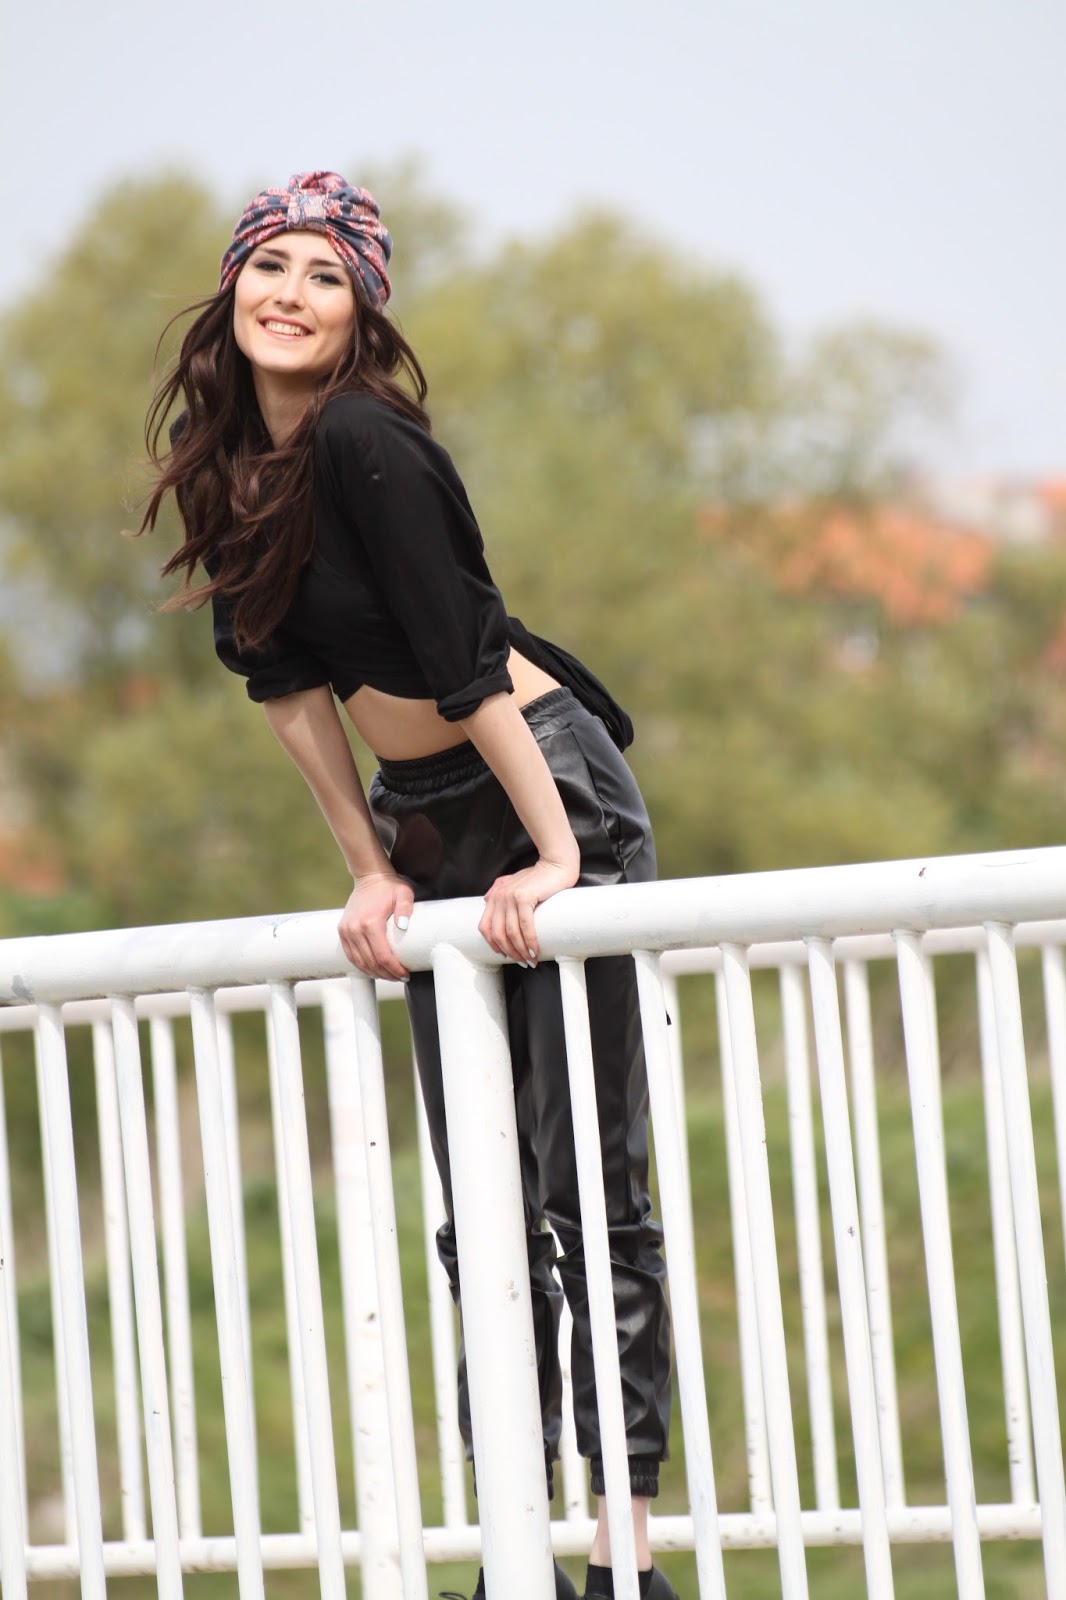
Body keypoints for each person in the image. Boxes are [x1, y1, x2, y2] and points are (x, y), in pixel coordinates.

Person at [141, 171, 675, 1600]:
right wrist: (371, 870)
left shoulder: (366, 439)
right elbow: (286, 691)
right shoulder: (227, 462)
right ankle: (520, 1543)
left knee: (588, 1185)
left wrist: (557, 853)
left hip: (540, 781)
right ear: (233, 288)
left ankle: (621, 1554)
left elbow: (463, 656)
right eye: (272, 266)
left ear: (361, 311)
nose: (292, 294)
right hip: (426, 824)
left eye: (326, 274)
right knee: (476, 1202)